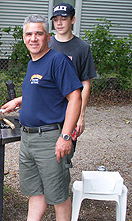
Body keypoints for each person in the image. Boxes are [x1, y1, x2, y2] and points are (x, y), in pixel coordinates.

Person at [0, 14, 82, 221]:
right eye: (28, 34)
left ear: (47, 36)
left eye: (38, 33)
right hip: (28, 138)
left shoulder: (57, 61)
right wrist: (19, 101)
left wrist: (65, 136)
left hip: (51, 138)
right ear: (23, 38)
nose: (33, 38)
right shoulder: (33, 63)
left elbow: (74, 98)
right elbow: (44, 91)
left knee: (57, 191)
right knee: (34, 189)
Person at [49, 3, 97, 142]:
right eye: (56, 19)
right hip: (48, 108)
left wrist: (81, 115)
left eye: (63, 19)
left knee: (65, 151)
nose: (59, 23)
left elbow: (85, 83)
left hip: (70, 109)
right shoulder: (47, 44)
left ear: (73, 20)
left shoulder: (82, 48)